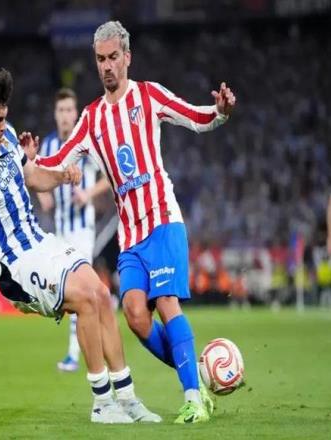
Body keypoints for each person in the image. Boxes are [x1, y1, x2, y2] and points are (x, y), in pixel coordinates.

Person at [27, 21, 236, 424]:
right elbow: (55, 164)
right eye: (100, 59)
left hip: (163, 218)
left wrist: (220, 112)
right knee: (136, 316)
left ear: (127, 58)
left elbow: (195, 116)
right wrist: (29, 161)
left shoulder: (148, 95)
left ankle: (194, 397)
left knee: (166, 303)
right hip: (131, 235)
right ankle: (197, 372)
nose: (106, 66)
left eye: (113, 57)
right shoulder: (91, 119)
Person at [0, 68, 161, 424]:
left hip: (40, 242)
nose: (4, 126)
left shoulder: (8, 138)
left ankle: (128, 398)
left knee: (101, 294)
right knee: (85, 299)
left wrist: (62, 176)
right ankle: (102, 403)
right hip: (14, 266)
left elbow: (34, 178)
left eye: (5, 117)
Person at [37, 88, 111, 372]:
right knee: (72, 290)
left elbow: (109, 176)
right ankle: (97, 332)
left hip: (82, 229)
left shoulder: (87, 142)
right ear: (55, 114)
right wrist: (42, 194)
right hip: (60, 229)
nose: (65, 116)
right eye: (61, 110)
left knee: (78, 289)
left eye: (69, 110)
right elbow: (36, 173)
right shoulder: (48, 144)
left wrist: (88, 193)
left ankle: (74, 354)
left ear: (76, 112)